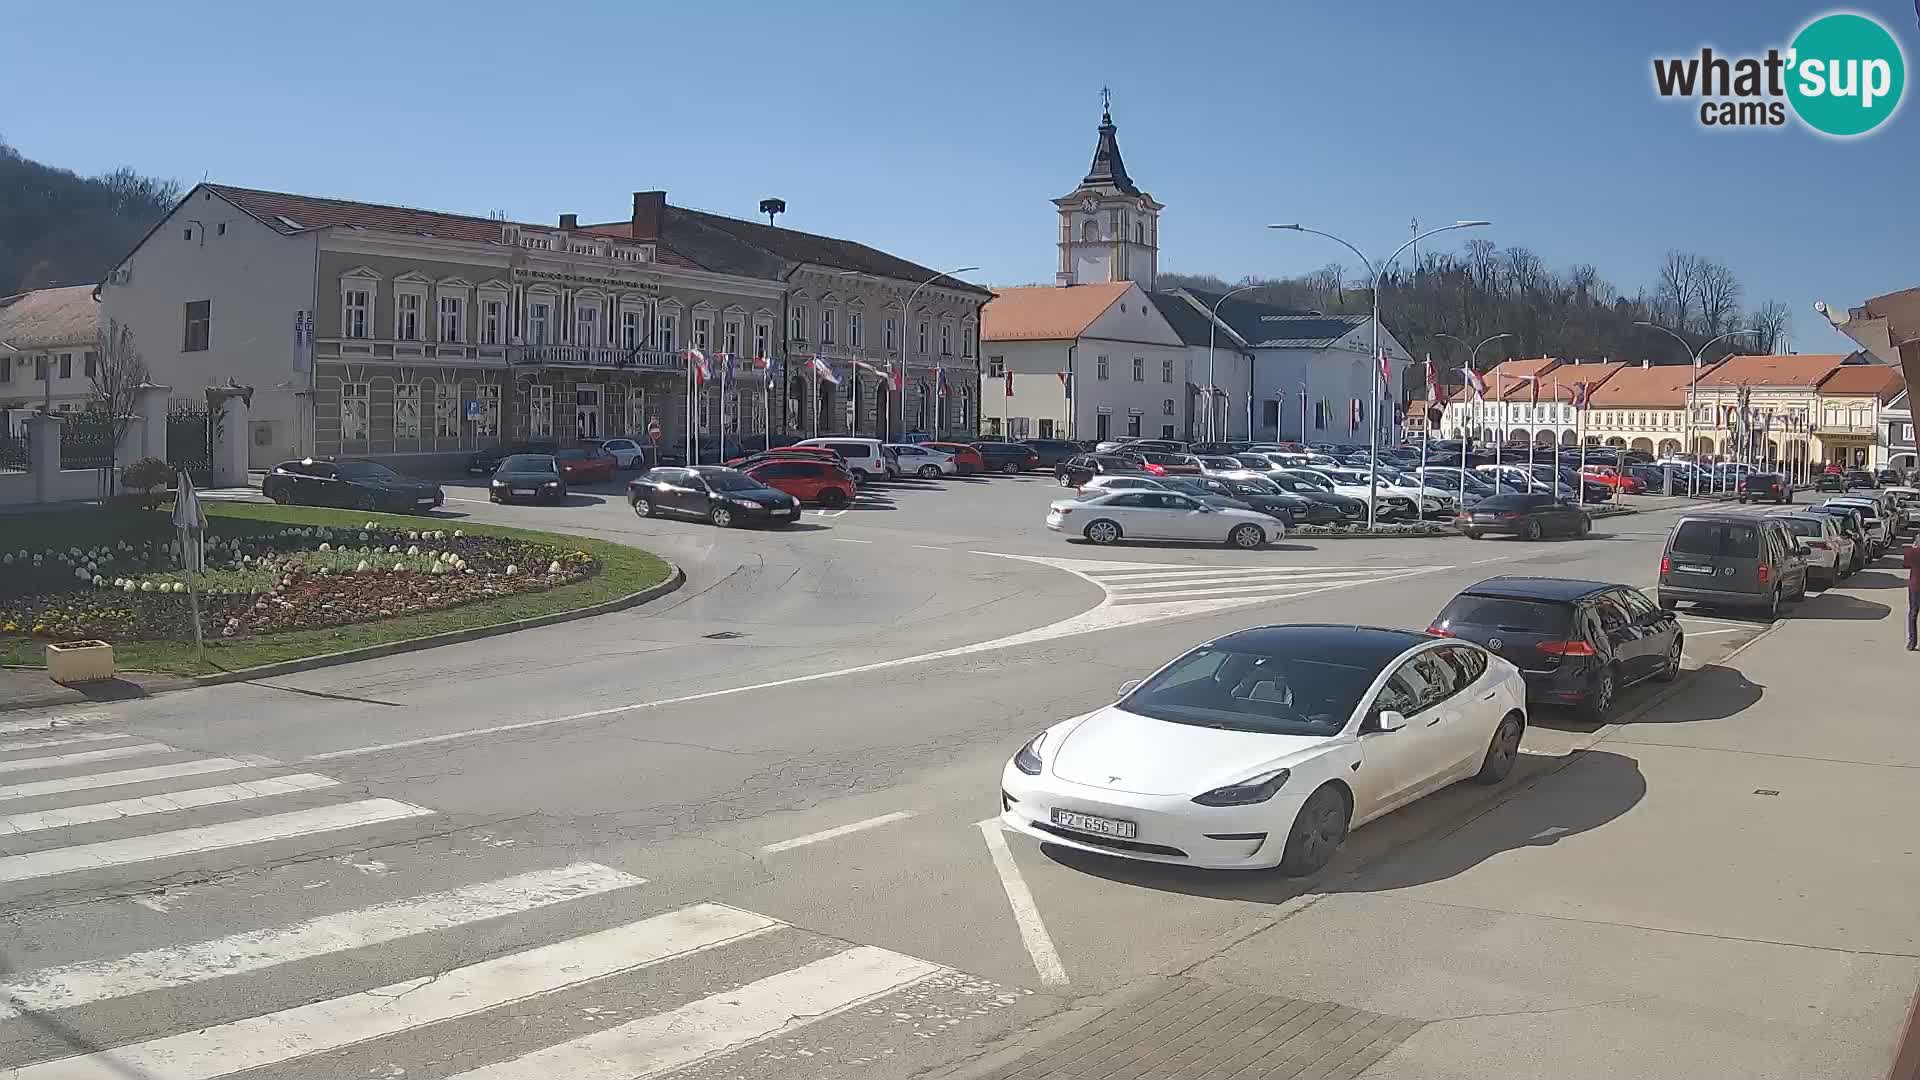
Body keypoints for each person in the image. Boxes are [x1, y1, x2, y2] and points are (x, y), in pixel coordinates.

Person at [1908, 539, 1920, 651]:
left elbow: (1905, 564)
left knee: (1913, 614)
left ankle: (1912, 642)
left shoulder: (1911, 553)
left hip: (1915, 586)